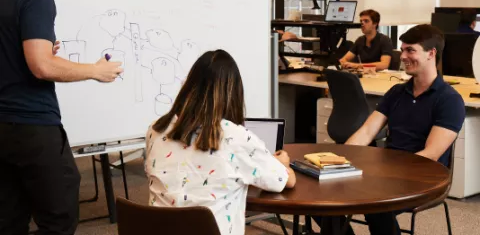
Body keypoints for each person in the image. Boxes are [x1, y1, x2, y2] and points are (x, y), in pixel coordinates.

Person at [0, 0, 123, 235]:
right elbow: (41, 67)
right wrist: (96, 70)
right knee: (59, 218)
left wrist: (29, 46)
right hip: (32, 128)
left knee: (8, 219)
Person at [315, 24, 465, 235]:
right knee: (320, 196)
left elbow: (430, 155)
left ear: (431, 54)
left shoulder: (449, 100)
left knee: (376, 202)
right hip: (387, 171)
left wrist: (387, 175)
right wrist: (340, 161)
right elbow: (367, 132)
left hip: (424, 176)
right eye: (402, 49)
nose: (402, 56)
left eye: (410, 50)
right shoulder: (397, 92)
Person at [145, 49, 296, 235]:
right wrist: (281, 164)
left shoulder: (156, 129)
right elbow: (285, 181)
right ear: (233, 93)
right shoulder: (237, 138)